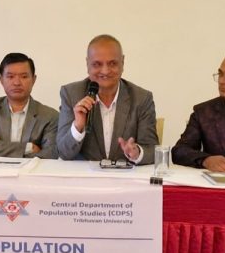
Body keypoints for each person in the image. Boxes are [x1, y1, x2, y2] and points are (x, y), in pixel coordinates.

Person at [57, 34, 158, 165]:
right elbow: (63, 153)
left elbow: (152, 150)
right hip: (85, 176)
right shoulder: (71, 94)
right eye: (97, 64)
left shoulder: (141, 98)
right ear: (87, 64)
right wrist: (78, 126)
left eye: (112, 63)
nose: (105, 71)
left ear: (122, 62)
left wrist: (137, 152)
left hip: (125, 176)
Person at [0, 53, 58, 158]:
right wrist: (29, 148)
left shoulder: (50, 116)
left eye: (24, 77)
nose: (17, 82)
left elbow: (50, 155)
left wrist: (0, 149)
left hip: (33, 169)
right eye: (10, 77)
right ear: (1, 80)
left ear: (33, 80)